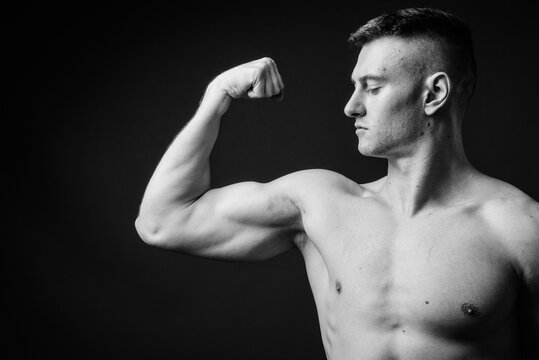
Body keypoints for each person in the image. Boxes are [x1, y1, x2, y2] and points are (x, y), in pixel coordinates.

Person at [135, 7, 538, 359]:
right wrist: (216, 96)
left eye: (373, 87)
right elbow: (162, 221)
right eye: (354, 86)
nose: (351, 106)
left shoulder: (520, 229)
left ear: (434, 93)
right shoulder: (321, 204)